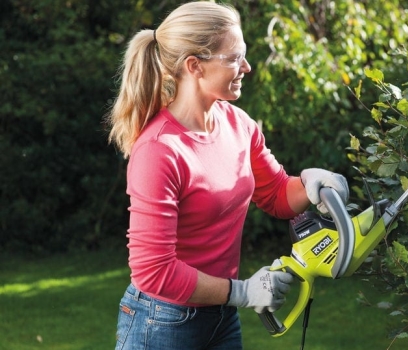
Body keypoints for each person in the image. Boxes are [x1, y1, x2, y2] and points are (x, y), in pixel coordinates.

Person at [105, 2, 349, 349]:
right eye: (234, 58)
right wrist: (243, 291)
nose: (246, 67)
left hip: (221, 317)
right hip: (164, 322)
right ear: (195, 66)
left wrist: (310, 185)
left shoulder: (238, 125)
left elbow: (277, 194)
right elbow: (153, 271)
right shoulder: (159, 151)